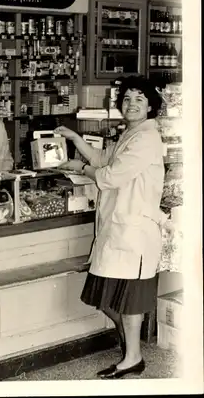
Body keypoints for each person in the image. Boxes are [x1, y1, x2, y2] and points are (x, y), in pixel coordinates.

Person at [54, 75, 165, 379]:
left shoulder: (146, 138)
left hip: (134, 229)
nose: (131, 104)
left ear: (150, 106)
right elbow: (105, 158)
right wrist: (77, 141)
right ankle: (132, 348)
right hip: (119, 229)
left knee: (128, 300)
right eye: (127, 99)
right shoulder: (132, 133)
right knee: (107, 296)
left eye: (139, 99)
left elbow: (110, 176)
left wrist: (82, 169)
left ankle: (133, 358)